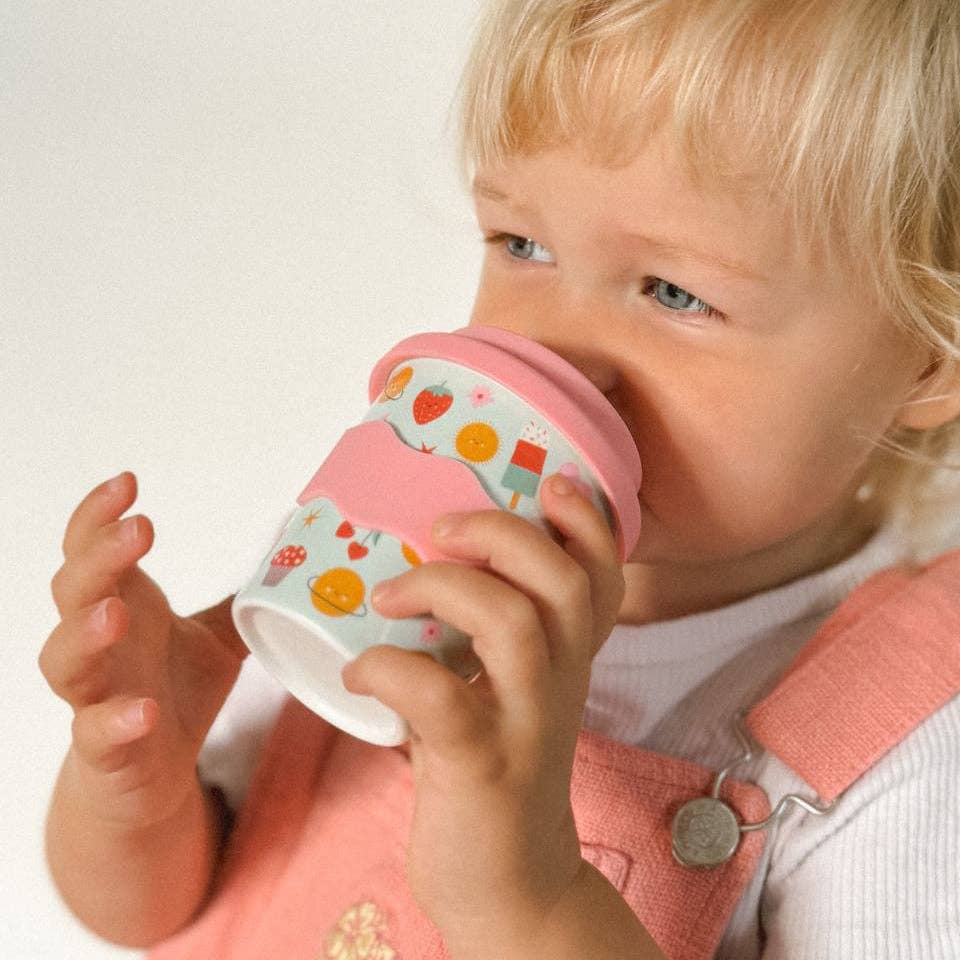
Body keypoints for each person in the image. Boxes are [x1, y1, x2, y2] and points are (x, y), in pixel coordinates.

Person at [39, 1, 960, 958]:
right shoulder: (388, 557)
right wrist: (138, 796)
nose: (554, 351)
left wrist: (525, 901)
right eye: (523, 246)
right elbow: (162, 911)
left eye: (676, 293)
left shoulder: (905, 740)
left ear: (928, 359)